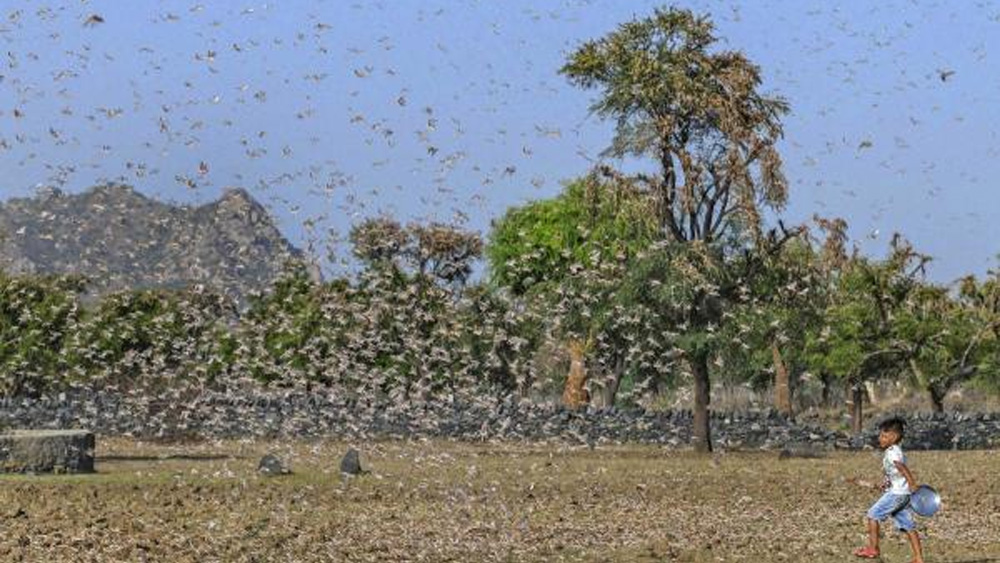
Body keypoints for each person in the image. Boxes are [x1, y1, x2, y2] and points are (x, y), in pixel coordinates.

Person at [854, 417, 924, 562]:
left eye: (884, 436)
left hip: (897, 494)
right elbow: (895, 472)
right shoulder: (894, 451)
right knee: (908, 525)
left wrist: (912, 483)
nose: (880, 438)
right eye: (880, 435)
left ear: (894, 437)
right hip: (902, 494)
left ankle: (873, 548)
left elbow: (901, 467)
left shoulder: (893, 451)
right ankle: (918, 558)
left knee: (872, 515)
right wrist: (885, 484)